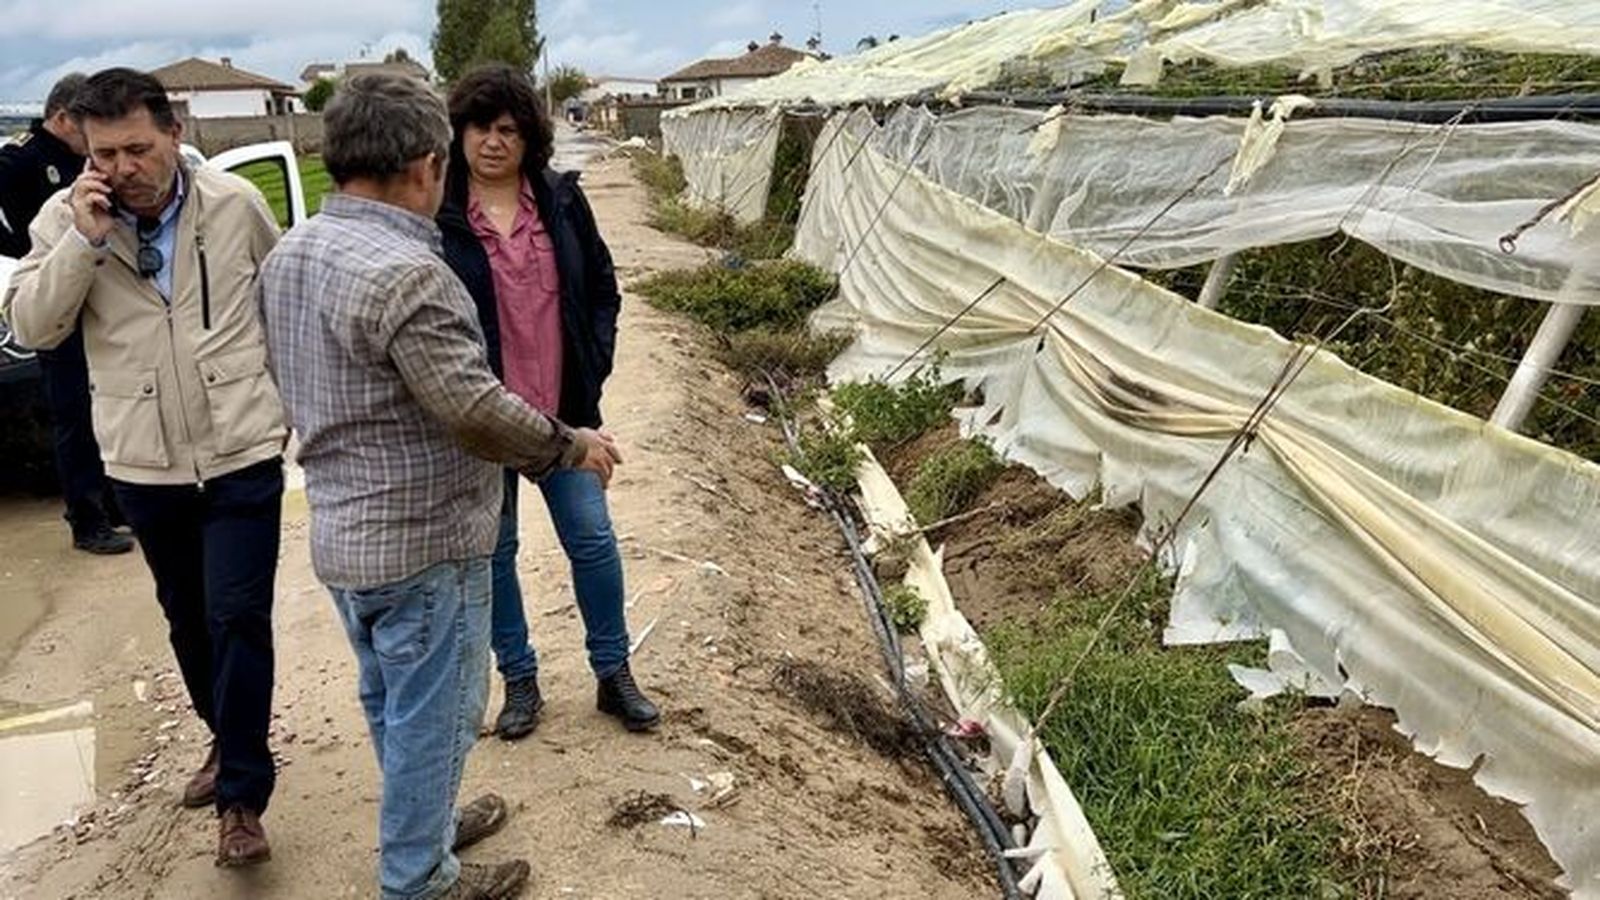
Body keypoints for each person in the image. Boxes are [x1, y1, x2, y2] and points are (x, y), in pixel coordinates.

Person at [259, 73, 621, 900]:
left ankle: (426, 822)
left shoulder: (293, 251)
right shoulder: (409, 273)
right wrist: (571, 444)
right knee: (441, 715)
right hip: (423, 543)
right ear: (428, 164)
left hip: (346, 534)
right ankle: (419, 879)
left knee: (392, 699)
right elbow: (473, 411)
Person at [3, 67, 286, 866]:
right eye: (105, 153)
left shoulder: (236, 207)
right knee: (188, 620)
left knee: (237, 617)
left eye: (137, 148)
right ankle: (225, 739)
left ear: (175, 136)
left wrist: (288, 411)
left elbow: (282, 301)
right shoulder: (65, 219)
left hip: (239, 449)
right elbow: (34, 324)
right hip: (144, 460)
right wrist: (83, 246)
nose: (123, 167)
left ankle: (241, 796)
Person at [438, 63, 658, 740]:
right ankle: (520, 681)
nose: (493, 142)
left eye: (508, 129)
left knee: (591, 539)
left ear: (530, 138)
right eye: (480, 127)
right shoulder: (441, 217)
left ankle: (613, 673)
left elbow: (602, 288)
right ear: (459, 134)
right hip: (485, 420)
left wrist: (594, 366)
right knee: (496, 551)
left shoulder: (561, 200)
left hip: (564, 412)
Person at [0, 72, 132, 555]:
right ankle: (86, 517)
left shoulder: (82, 160)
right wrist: (36, 258)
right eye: (85, 132)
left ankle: (117, 503)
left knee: (110, 411)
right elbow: (18, 239)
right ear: (61, 118)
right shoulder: (19, 161)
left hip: (96, 297)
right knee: (74, 416)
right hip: (53, 302)